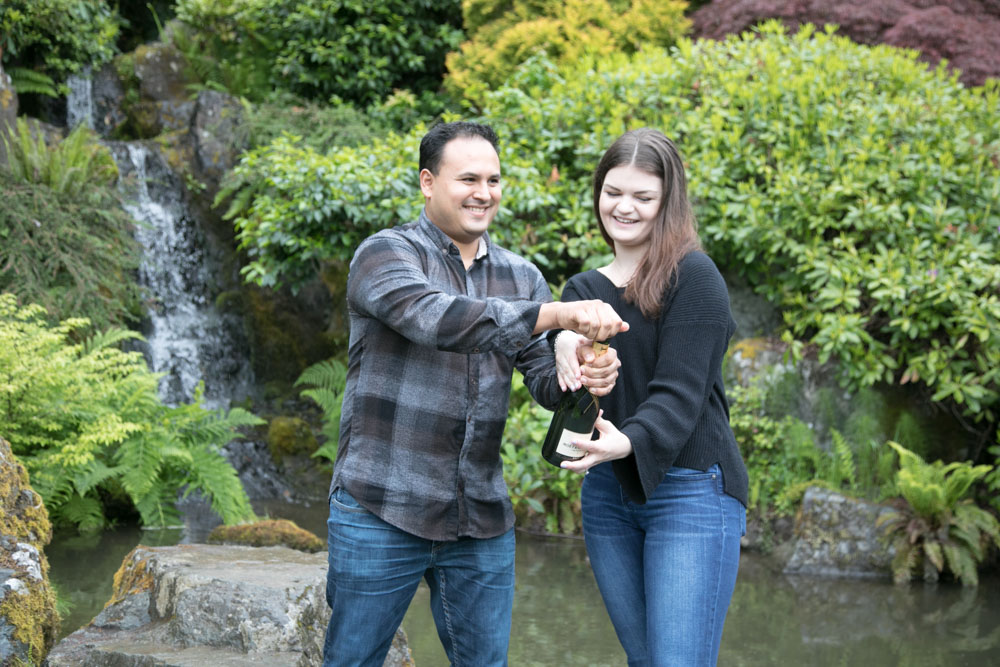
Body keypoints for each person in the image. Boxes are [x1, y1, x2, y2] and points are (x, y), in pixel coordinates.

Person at [321, 120, 627, 667]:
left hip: (480, 519)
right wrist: (554, 316)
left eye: (493, 179)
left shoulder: (521, 276)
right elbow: (440, 320)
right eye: (468, 179)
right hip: (381, 506)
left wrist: (579, 367)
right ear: (427, 182)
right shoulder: (385, 256)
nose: (484, 193)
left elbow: (540, 378)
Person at [553, 128, 749, 666]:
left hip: (692, 490)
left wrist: (628, 442)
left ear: (667, 203)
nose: (625, 207)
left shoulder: (693, 276)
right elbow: (565, 399)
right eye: (614, 192)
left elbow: (680, 394)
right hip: (608, 496)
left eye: (643, 196)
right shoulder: (580, 293)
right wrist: (561, 346)